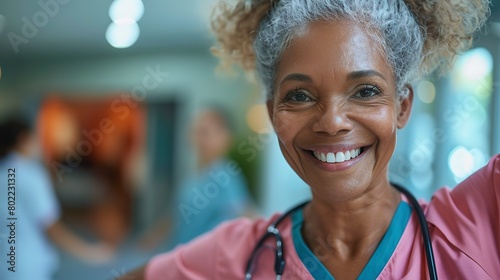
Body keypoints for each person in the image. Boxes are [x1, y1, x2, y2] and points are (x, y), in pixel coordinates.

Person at [123, 0, 498, 279]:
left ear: (402, 106)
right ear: (273, 113)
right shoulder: (235, 255)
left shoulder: (482, 217)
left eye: (365, 91)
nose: (332, 123)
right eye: (299, 96)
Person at [0, 117, 113, 280]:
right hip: (27, 266)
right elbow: (50, 227)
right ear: (23, 139)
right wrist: (90, 253)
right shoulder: (30, 175)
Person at [139, 108, 254, 249]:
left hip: (204, 261)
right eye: (196, 131)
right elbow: (178, 215)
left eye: (205, 132)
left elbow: (245, 215)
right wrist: (154, 236)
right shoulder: (192, 176)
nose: (199, 139)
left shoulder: (225, 177)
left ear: (225, 137)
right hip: (181, 253)